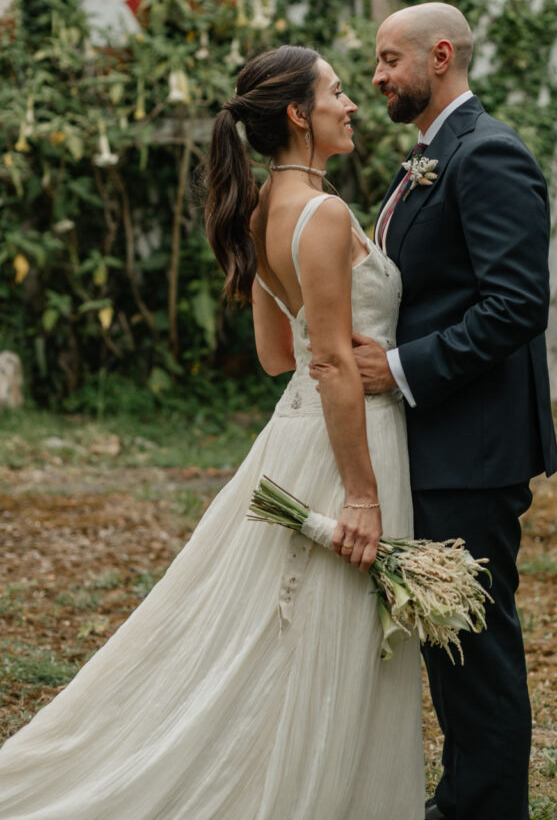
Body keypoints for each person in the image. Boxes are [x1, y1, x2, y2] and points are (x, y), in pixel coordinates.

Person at [0, 46, 424, 819]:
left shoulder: (263, 210)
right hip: (346, 446)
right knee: (329, 642)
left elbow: (276, 356)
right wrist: (361, 497)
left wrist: (326, 348)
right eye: (335, 91)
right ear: (298, 114)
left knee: (283, 639)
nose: (350, 103)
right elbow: (327, 364)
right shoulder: (323, 213)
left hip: (293, 438)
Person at [349, 3, 557, 820]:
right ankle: (468, 800)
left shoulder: (490, 154)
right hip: (439, 440)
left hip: (474, 448)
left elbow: (515, 306)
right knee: (452, 641)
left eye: (388, 60)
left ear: (439, 57)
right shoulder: (429, 158)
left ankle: (483, 809)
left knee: (475, 646)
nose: (377, 77)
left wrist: (398, 368)